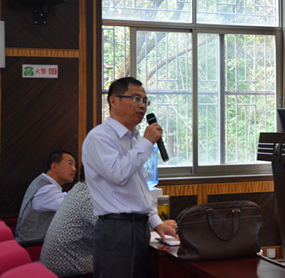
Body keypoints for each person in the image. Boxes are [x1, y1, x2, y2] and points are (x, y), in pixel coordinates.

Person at [82, 77, 177, 278]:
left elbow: (140, 189)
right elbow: (118, 174)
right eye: (135, 98)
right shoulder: (99, 137)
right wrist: (147, 142)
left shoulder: (133, 140)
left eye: (145, 100)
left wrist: (157, 223)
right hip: (115, 229)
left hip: (138, 227)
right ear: (114, 101)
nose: (142, 105)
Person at [40, 165, 97, 277]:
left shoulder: (78, 190)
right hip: (69, 271)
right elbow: (114, 233)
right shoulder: (87, 197)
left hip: (55, 267)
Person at [15, 150, 76, 244]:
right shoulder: (46, 189)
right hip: (34, 245)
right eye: (70, 164)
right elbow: (75, 207)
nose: (74, 169)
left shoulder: (42, 182)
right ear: (54, 167)